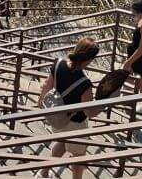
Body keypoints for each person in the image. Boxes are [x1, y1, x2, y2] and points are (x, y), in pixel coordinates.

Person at [36, 38, 100, 179]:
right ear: (89, 59)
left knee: (62, 143)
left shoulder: (58, 63)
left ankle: (43, 172)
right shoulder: (85, 83)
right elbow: (89, 113)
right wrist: (104, 103)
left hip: (57, 117)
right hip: (75, 124)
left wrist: (40, 101)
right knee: (78, 156)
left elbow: (47, 86)